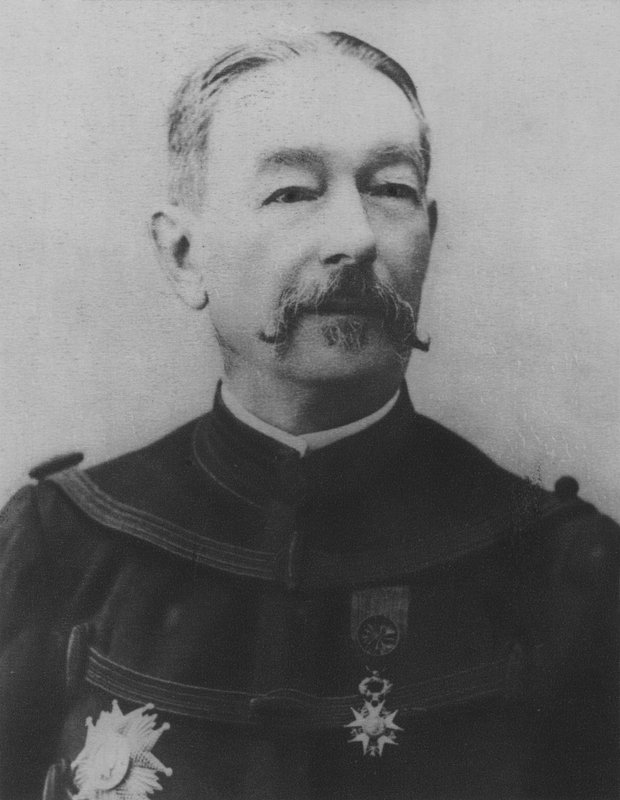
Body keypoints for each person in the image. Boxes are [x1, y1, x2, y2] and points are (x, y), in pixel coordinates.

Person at [0, 31, 617, 800]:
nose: (356, 238)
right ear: (184, 255)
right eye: (292, 193)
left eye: (391, 190)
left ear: (431, 234)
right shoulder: (62, 549)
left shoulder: (565, 572)